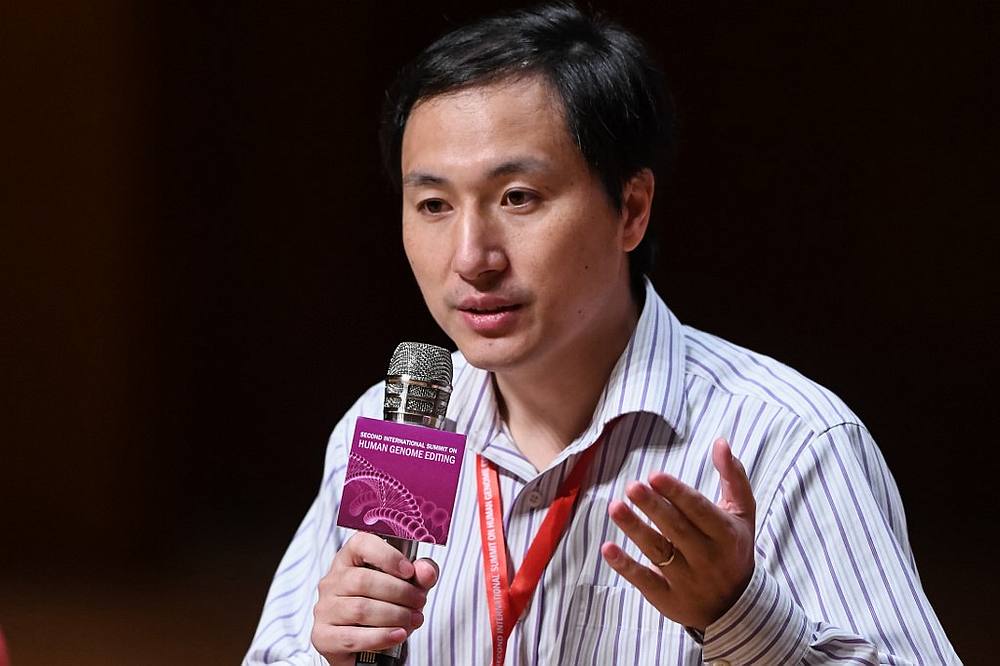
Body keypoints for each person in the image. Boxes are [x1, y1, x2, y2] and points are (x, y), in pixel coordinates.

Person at [245, 4, 959, 664]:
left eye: (518, 197)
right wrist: (330, 657)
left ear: (632, 209)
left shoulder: (786, 437)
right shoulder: (395, 429)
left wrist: (742, 616)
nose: (470, 257)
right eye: (433, 204)